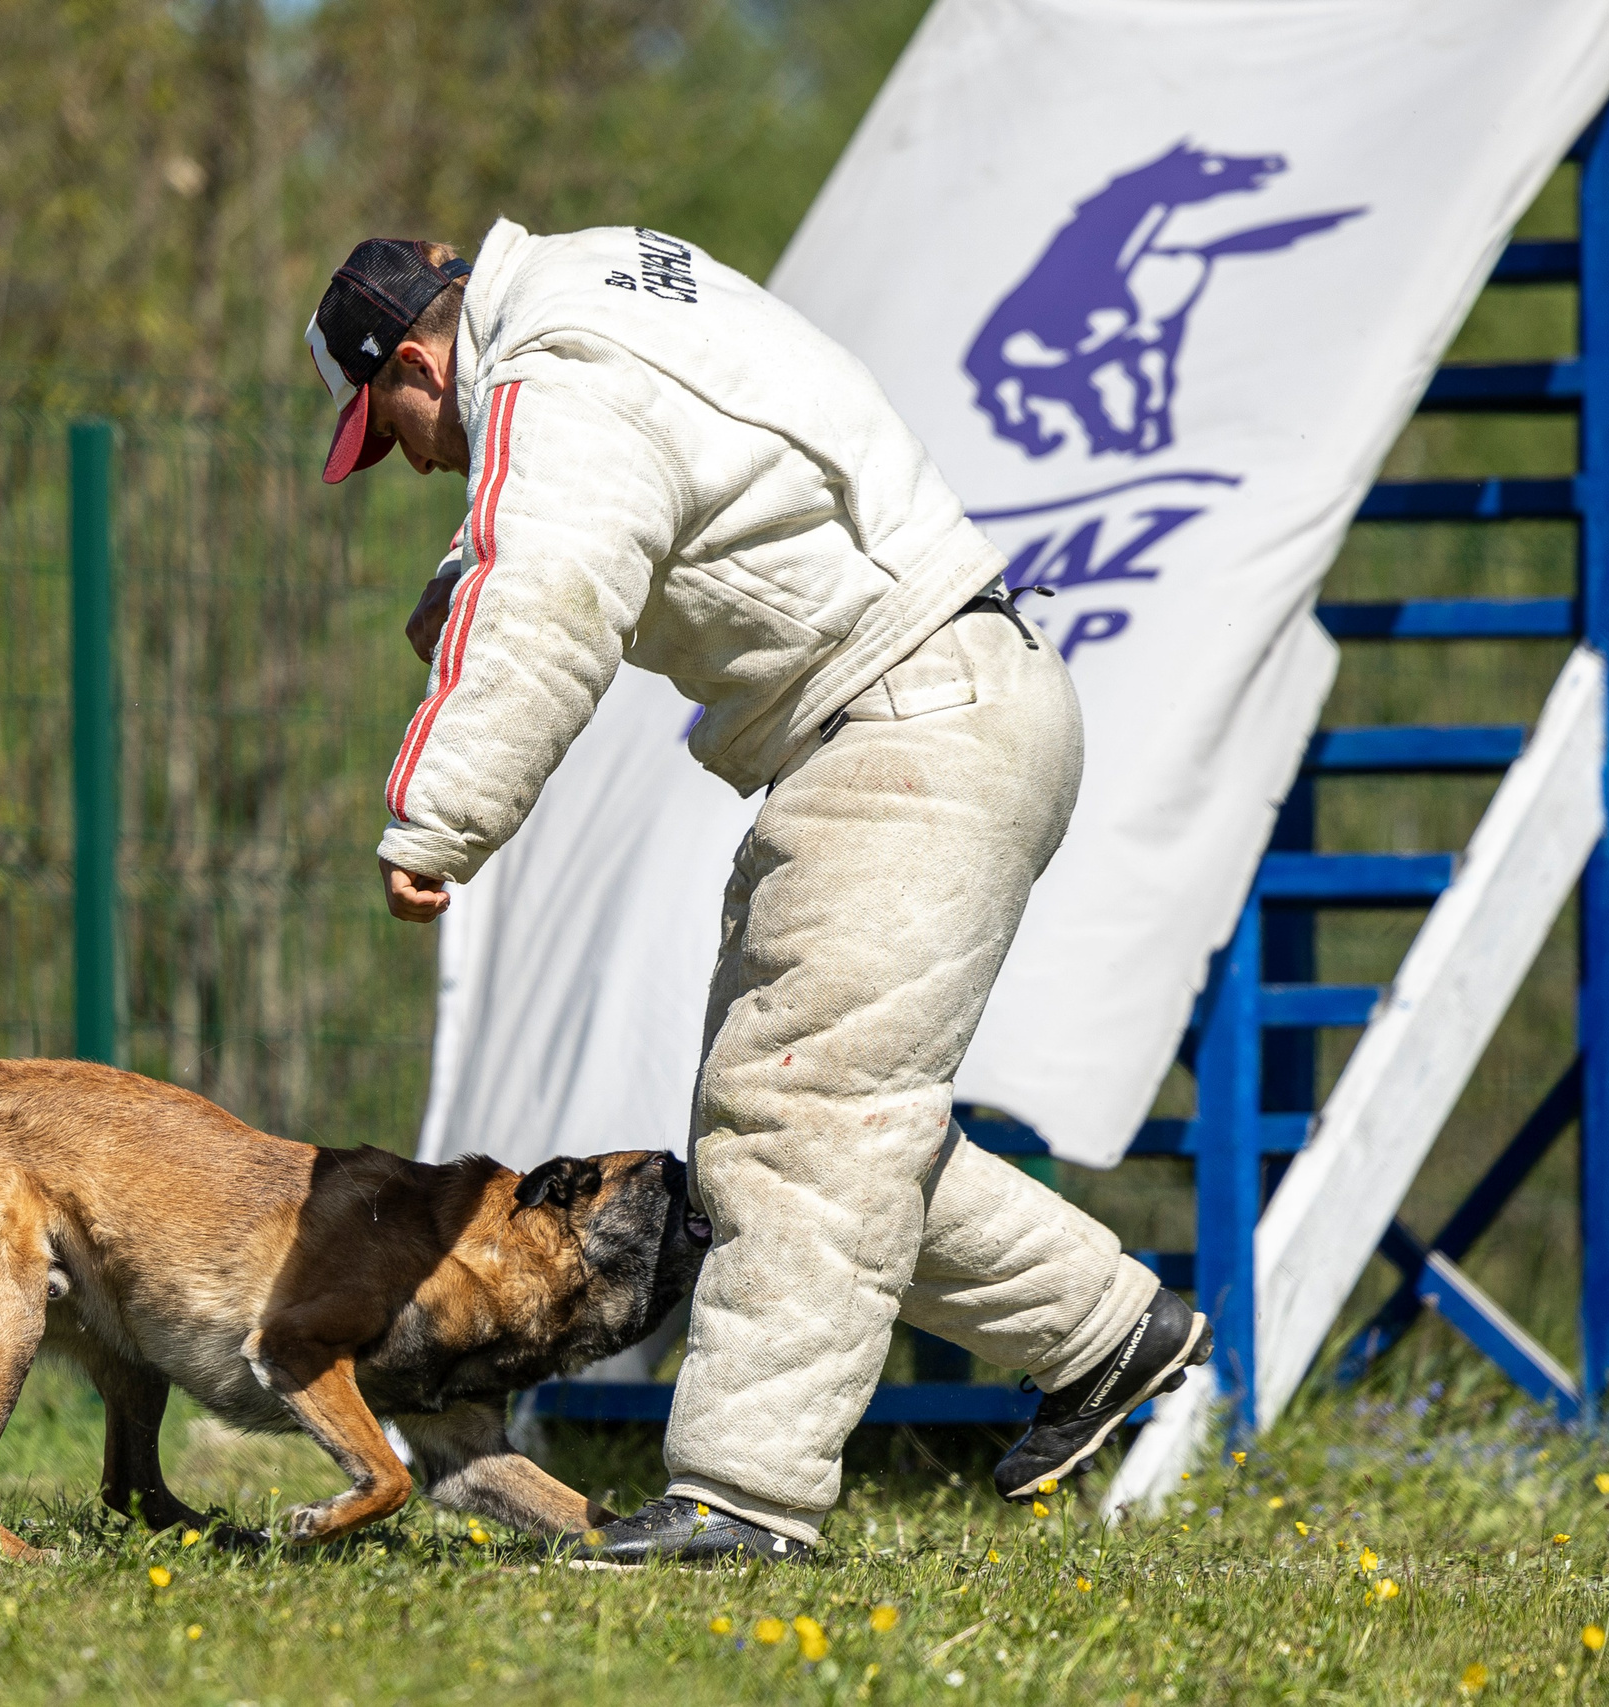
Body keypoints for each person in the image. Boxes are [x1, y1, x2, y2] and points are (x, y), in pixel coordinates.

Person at [304, 225, 1213, 1566]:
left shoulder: (553, 374)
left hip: (908, 723)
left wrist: (438, 819)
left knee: (801, 1125)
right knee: (805, 1129)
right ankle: (1101, 1332)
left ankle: (748, 1501)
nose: (419, 463)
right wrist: (463, 584)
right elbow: (638, 482)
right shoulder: (599, 284)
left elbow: (552, 588)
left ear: (421, 364)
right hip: (942, 699)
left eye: (398, 432)